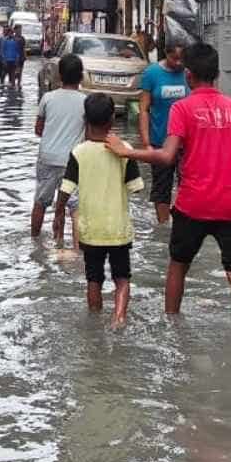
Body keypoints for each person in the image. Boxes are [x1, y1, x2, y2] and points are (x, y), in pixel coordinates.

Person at [107, 43, 231, 337]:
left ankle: (171, 327)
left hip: (193, 205)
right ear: (217, 74)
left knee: (178, 266)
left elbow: (166, 156)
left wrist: (127, 152)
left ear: (189, 75)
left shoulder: (183, 108)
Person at [57, 93, 144, 328]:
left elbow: (65, 190)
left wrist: (58, 215)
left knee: (93, 279)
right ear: (112, 120)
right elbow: (136, 188)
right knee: (122, 278)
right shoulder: (124, 150)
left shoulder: (78, 152)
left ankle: (94, 320)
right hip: (118, 230)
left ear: (85, 119)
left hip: (90, 230)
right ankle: (119, 318)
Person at [33, 54, 87, 244]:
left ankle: (35, 241)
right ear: (81, 77)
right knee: (75, 207)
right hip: (72, 161)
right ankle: (77, 250)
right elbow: (89, 135)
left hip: (47, 158)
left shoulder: (47, 98)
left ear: (59, 76)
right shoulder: (85, 102)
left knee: (41, 202)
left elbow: (38, 130)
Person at [138, 42, 189, 223]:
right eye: (174, 58)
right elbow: (143, 109)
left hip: (187, 143)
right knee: (161, 188)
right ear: (165, 54)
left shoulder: (189, 73)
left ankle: (183, 224)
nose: (178, 63)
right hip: (160, 141)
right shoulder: (151, 74)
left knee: (189, 185)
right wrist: (146, 143)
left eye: (181, 59)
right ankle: (163, 225)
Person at [13, 24, 27, 89]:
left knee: (20, 71)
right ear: (15, 30)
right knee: (14, 71)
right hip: (14, 57)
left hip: (21, 57)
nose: (20, 30)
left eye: (20, 29)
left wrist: (25, 55)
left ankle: (18, 83)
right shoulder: (13, 38)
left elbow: (24, 47)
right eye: (19, 29)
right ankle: (13, 82)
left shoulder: (22, 38)